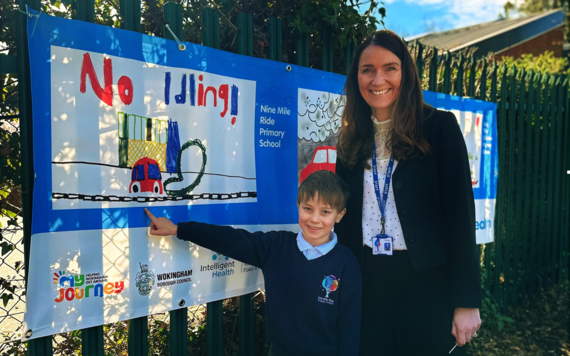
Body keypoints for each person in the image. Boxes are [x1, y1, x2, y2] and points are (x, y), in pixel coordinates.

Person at [334, 30, 482, 355]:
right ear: (356, 77)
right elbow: (342, 225)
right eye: (367, 69)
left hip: (428, 285)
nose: (378, 79)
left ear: (406, 74)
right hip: (367, 283)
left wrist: (466, 302)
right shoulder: (350, 139)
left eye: (390, 67)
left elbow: (460, 216)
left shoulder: (439, 128)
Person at [145, 170, 362, 356]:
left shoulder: (346, 263)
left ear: (339, 215)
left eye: (325, 212)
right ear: (298, 206)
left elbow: (350, 327)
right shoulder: (275, 246)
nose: (315, 219)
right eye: (308, 208)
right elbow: (229, 238)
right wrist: (178, 229)